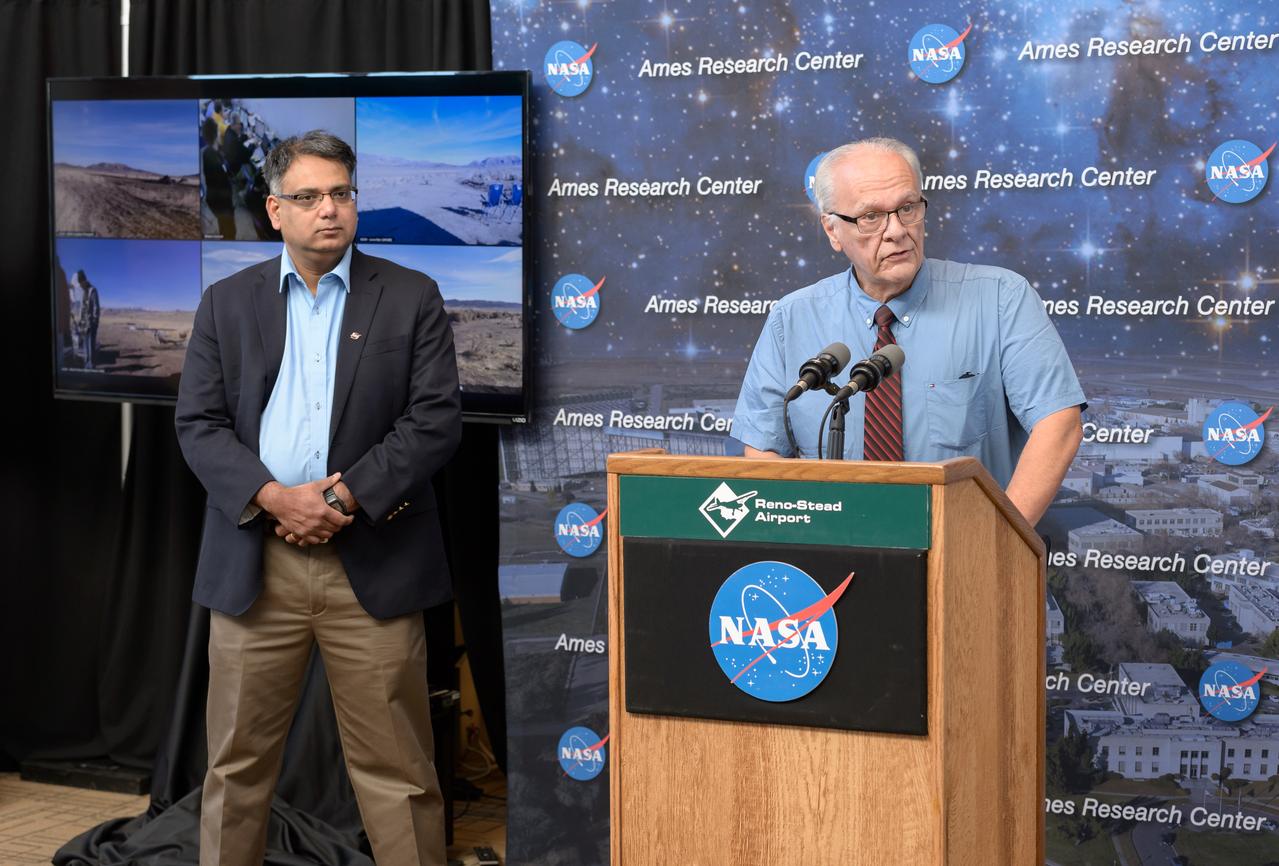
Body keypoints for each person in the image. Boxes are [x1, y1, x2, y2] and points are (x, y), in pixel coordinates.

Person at [175, 130, 461, 866]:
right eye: (307, 197)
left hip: (372, 560)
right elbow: (198, 426)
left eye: (340, 194)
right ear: (275, 210)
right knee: (235, 771)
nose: (327, 210)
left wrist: (338, 498)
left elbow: (433, 423)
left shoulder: (410, 296)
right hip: (254, 565)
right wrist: (274, 497)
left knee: (399, 776)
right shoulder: (225, 302)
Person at [733, 137, 1084, 526]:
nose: (897, 230)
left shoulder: (1001, 299)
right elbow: (765, 450)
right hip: (836, 560)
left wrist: (997, 541)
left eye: (907, 208)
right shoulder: (792, 317)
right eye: (871, 217)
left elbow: (1060, 425)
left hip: (966, 556)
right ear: (833, 230)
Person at [70, 268, 100, 370]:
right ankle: (87, 365)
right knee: (85, 347)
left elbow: (96, 308)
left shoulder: (93, 291)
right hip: (83, 325)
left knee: (91, 346)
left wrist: (95, 323)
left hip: (91, 325)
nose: (80, 286)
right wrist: (79, 321)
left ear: (84, 281)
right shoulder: (83, 293)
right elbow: (82, 309)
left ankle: (91, 366)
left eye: (81, 284)